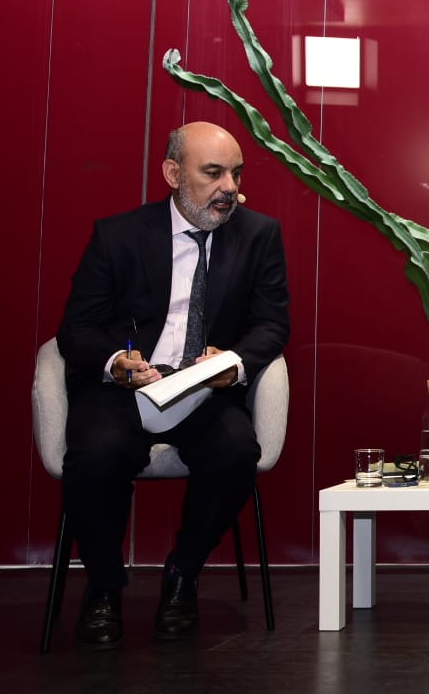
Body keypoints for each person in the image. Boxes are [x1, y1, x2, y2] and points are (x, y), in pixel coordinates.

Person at [57, 121, 290, 648]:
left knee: (236, 451)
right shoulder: (118, 235)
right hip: (126, 389)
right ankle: (105, 587)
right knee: (96, 454)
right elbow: (77, 328)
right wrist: (118, 362)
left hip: (203, 392)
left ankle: (182, 573)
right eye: (214, 173)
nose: (229, 187)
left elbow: (272, 325)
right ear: (172, 174)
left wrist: (231, 361)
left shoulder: (258, 235)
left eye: (236, 173)